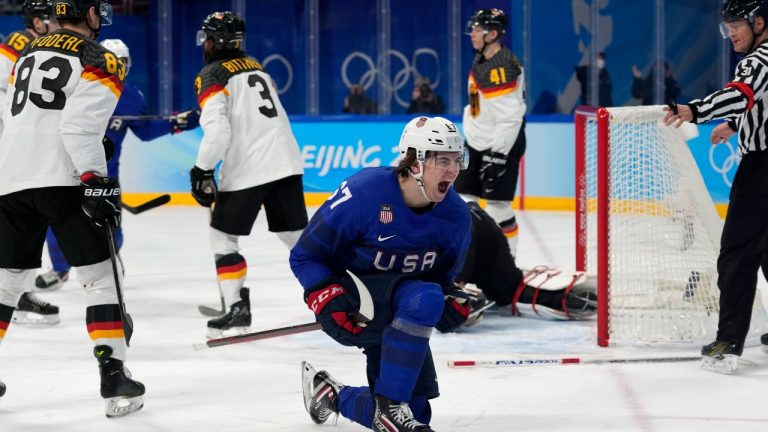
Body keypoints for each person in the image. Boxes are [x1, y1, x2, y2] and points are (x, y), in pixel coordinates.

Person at [0, 0, 144, 416]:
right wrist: (95, 181)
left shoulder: (29, 50)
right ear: (92, 17)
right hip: (62, 179)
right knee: (102, 278)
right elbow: (77, 127)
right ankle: (115, 378)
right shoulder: (101, 58)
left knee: (7, 281)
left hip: (11, 177)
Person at [294, 116, 472, 432]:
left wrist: (451, 299)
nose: (453, 170)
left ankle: (333, 396)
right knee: (423, 297)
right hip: (352, 304)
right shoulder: (365, 193)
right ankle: (390, 404)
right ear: (415, 161)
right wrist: (324, 297)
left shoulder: (456, 216)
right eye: (443, 160)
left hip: (401, 304)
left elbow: (442, 279)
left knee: (416, 414)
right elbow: (306, 255)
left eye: (457, 160)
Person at [34, 38, 200, 292]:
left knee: (110, 230)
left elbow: (144, 130)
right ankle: (59, 269)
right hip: (68, 173)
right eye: (114, 60)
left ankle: (110, 264)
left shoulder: (131, 96)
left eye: (122, 62)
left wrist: (177, 123)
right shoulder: (76, 87)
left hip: (106, 176)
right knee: (56, 226)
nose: (117, 66)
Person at [662, 0, 768, 374]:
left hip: (762, 170)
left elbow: (740, 94)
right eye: (726, 28)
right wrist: (738, 126)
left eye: (736, 25)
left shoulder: (757, 61)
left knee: (737, 255)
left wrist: (695, 110)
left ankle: (727, 345)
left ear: (759, 22)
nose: (731, 34)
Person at [190, 11, 308, 338]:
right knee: (299, 240)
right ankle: (342, 293)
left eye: (208, 37)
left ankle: (236, 308)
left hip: (248, 168)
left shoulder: (211, 74)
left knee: (223, 238)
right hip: (285, 161)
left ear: (215, 40)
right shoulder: (255, 65)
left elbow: (218, 134)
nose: (205, 44)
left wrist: (201, 169)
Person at [0, 0, 61, 325]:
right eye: (48, 18)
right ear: (36, 22)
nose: (54, 23)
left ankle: (17, 292)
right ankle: (16, 293)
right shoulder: (22, 43)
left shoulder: (26, 44)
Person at [454, 8, 526, 258]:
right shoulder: (483, 57)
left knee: (497, 207)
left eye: (477, 29)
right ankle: (469, 258)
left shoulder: (502, 67)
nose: (471, 33)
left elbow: (510, 117)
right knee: (462, 201)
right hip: (475, 141)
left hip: (499, 146)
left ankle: (507, 263)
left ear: (493, 33)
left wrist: (497, 154)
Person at [457, 201, 597, 324]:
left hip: (464, 231)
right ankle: (563, 298)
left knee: (444, 293)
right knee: (509, 292)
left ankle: (452, 296)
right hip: (481, 224)